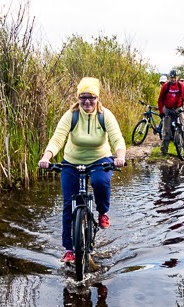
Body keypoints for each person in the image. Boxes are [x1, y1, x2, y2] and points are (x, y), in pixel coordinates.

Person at [38, 77, 126, 263]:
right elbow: (57, 138)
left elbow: (117, 138)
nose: (87, 101)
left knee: (100, 182)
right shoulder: (71, 115)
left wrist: (120, 157)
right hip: (72, 161)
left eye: (91, 97)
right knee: (69, 204)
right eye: (83, 97)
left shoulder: (105, 115)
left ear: (97, 98)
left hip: (99, 159)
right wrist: (47, 157)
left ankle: (102, 212)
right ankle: (69, 249)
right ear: (78, 98)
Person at [157, 69, 184, 156]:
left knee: (182, 127)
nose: (173, 79)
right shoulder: (165, 87)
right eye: (171, 78)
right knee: (166, 130)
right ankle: (164, 150)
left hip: (178, 108)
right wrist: (161, 111)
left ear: (177, 77)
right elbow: (160, 100)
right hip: (168, 108)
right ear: (169, 78)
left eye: (175, 77)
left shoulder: (181, 86)